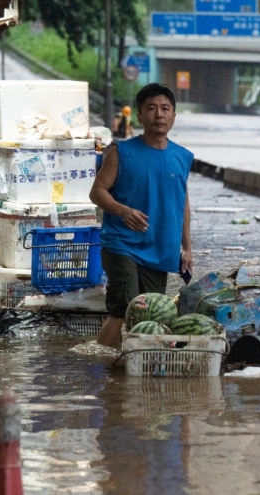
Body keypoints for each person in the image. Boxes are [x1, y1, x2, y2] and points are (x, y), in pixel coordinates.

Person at [89, 83, 193, 349]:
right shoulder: (121, 152)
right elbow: (97, 191)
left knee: (150, 316)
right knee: (124, 310)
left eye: (165, 108)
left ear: (173, 116)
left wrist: (187, 248)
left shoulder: (182, 157)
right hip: (122, 244)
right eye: (151, 108)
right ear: (140, 116)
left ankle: (128, 367)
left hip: (160, 250)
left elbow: (183, 204)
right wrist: (122, 210)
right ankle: (99, 368)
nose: (159, 114)